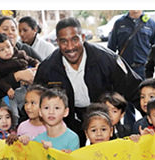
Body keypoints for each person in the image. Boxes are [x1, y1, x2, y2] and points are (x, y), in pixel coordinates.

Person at [34, 17, 142, 145]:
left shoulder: (107, 59)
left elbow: (135, 89)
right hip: (69, 120)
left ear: (83, 37)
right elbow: (35, 99)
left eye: (74, 40)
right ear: (57, 41)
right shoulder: (47, 67)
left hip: (103, 118)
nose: (70, 47)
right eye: (63, 41)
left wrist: (152, 118)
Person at [0, 33, 40, 119]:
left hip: (27, 89)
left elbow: (31, 60)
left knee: (33, 108)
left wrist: (37, 64)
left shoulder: (20, 54)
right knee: (13, 114)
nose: (7, 51)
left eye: (8, 47)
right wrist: (7, 88)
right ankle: (14, 125)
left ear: (12, 45)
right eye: (2, 50)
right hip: (11, 94)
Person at [0, 16, 42, 88]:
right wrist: (17, 76)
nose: (10, 32)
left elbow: (43, 67)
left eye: (13, 29)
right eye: (5, 29)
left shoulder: (25, 49)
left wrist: (37, 68)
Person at [107, 10, 155, 79]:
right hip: (124, 69)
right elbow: (111, 48)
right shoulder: (119, 23)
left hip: (144, 70)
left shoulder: (151, 23)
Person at [33, 88, 80, 152]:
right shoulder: (37, 140)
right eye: (46, 108)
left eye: (57, 108)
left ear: (65, 112)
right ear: (40, 112)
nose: (51, 112)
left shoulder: (72, 138)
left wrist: (52, 151)